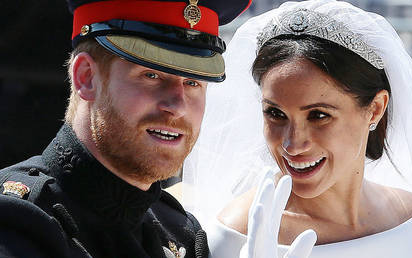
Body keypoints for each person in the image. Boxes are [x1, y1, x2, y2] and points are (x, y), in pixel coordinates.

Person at [183, 0, 412, 257]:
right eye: (275, 114)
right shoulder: (236, 235)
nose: (292, 144)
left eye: (319, 115)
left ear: (375, 108)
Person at [0, 0, 251, 257]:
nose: (178, 106)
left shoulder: (181, 233)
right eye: (152, 75)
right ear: (86, 77)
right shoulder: (16, 223)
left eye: (193, 82)